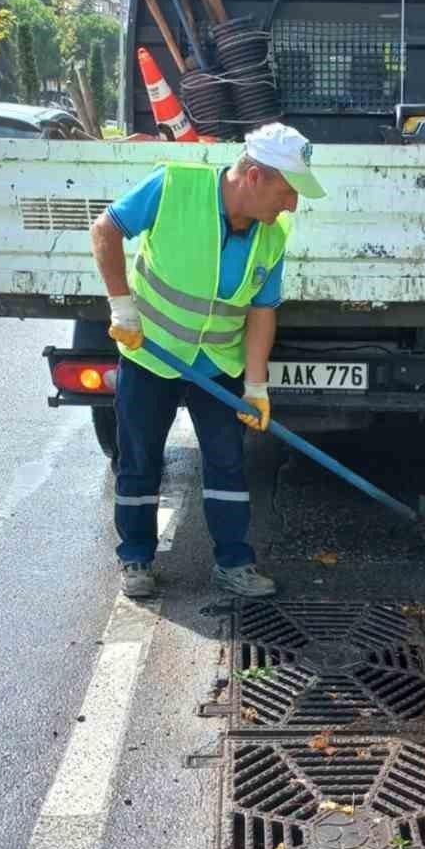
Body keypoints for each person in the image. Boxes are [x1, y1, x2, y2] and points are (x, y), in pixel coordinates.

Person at [88, 123, 326, 601]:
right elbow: (106, 229)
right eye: (287, 191)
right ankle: (135, 556)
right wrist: (121, 308)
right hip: (149, 354)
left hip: (217, 363)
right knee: (138, 460)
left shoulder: (272, 235)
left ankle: (234, 564)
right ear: (254, 177)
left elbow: (261, 312)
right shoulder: (174, 185)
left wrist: (256, 387)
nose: (292, 205)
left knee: (226, 462)